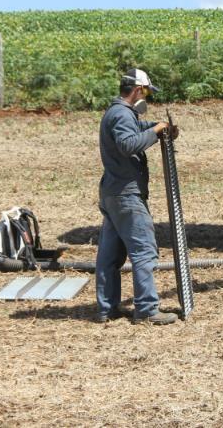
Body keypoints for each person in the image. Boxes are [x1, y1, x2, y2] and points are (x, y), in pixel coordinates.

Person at [95, 68, 178, 325]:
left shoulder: (119, 112)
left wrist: (156, 126)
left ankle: (107, 308)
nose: (148, 99)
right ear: (138, 90)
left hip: (113, 192)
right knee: (144, 251)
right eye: (147, 93)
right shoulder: (121, 113)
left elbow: (135, 128)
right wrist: (156, 132)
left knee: (110, 256)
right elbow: (128, 144)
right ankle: (146, 309)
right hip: (126, 195)